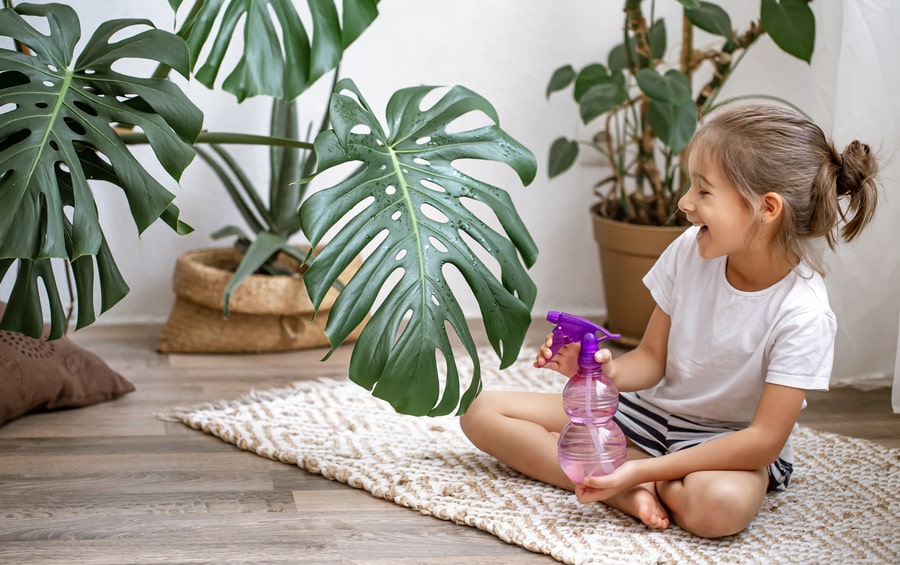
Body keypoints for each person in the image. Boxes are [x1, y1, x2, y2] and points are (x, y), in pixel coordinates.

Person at [459, 103, 881, 538]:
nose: (685, 203)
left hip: (725, 444)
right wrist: (602, 374)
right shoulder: (689, 250)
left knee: (720, 508)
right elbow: (652, 357)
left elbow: (762, 441)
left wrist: (649, 467)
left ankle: (627, 475)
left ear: (766, 208)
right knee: (482, 411)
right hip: (646, 416)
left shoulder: (803, 312)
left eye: (703, 191)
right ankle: (625, 490)